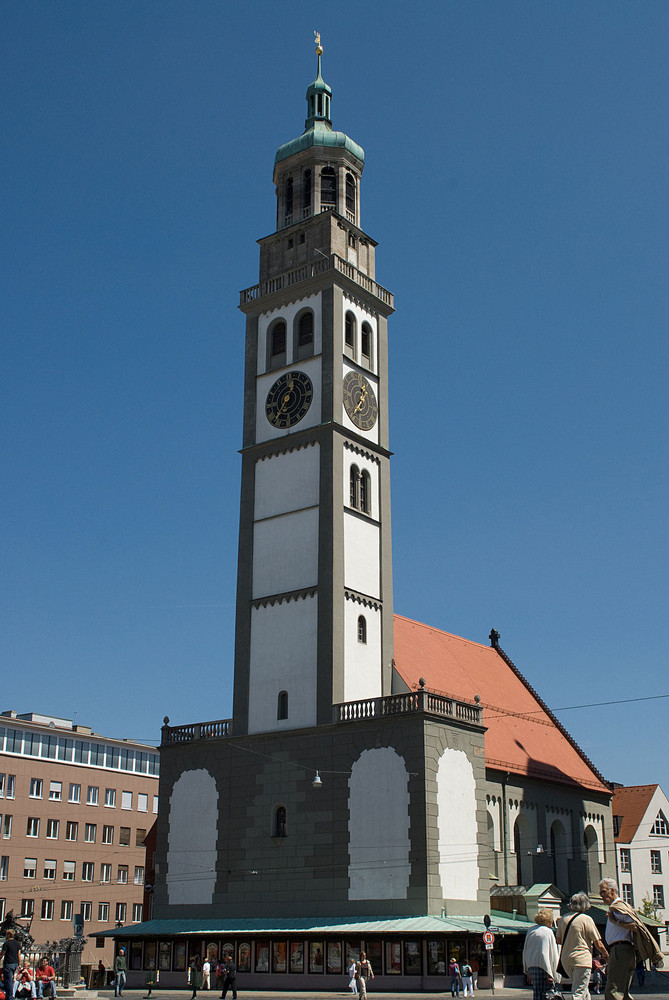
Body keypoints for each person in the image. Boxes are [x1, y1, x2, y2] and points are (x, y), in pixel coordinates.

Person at [557, 892, 609, 1000]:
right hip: (582, 959)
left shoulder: (563, 919)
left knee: (584, 990)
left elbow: (558, 940)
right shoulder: (586, 919)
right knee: (579, 992)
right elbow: (597, 942)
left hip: (566, 959)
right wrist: (605, 954)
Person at [599, 878, 636, 1000]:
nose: (602, 896)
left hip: (620, 949)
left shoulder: (618, 907)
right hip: (621, 950)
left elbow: (635, 926)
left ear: (613, 890)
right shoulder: (615, 908)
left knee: (613, 991)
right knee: (622, 992)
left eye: (603, 892)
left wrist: (615, 921)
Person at [522, 908, 560, 1000]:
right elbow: (552, 953)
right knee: (549, 994)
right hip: (545, 967)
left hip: (532, 966)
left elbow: (526, 950)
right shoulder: (548, 932)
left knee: (537, 993)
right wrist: (552, 973)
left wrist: (527, 970)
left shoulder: (531, 930)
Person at [0, 929, 23, 1000]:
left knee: (8, 981)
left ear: (9, 935)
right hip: (15, 963)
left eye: (6, 934)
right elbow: (19, 954)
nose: (5, 936)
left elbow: (2, 953)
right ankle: (9, 994)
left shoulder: (6, 943)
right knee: (10, 980)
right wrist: (19, 964)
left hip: (8, 963)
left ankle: (9, 996)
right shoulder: (17, 943)